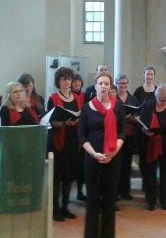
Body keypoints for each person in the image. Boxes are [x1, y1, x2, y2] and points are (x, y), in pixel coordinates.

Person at [79, 72, 126, 238]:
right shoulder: (86, 108)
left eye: (107, 84)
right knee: (92, 199)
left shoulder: (118, 106)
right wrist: (93, 153)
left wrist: (113, 152)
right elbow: (82, 135)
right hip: (93, 158)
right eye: (101, 83)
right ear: (96, 86)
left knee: (109, 199)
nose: (104, 86)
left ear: (110, 87)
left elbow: (122, 132)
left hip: (113, 158)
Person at [139, 84, 166, 211]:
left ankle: (164, 201)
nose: (163, 103)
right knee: (150, 173)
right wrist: (145, 131)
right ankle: (151, 201)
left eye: (165, 101)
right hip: (151, 143)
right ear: (155, 96)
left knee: (165, 173)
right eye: (160, 100)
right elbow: (141, 123)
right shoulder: (148, 105)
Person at [47, 67, 81, 222]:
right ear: (58, 82)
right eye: (63, 79)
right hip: (58, 141)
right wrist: (64, 123)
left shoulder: (78, 98)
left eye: (68, 78)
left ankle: (66, 207)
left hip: (74, 141)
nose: (67, 81)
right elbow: (49, 122)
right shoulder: (53, 98)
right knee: (57, 177)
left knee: (69, 177)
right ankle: (56, 209)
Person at [115, 73, 139, 200]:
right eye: (120, 83)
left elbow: (137, 116)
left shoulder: (133, 99)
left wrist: (133, 118)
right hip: (117, 135)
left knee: (127, 164)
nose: (123, 85)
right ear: (116, 84)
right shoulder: (113, 98)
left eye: (125, 83)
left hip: (129, 135)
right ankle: (116, 191)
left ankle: (125, 191)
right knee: (117, 164)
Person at [71, 73, 87, 202]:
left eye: (78, 82)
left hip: (83, 132)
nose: (77, 84)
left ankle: (80, 192)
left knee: (82, 166)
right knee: (73, 166)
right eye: (74, 82)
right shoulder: (69, 97)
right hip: (71, 133)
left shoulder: (85, 96)